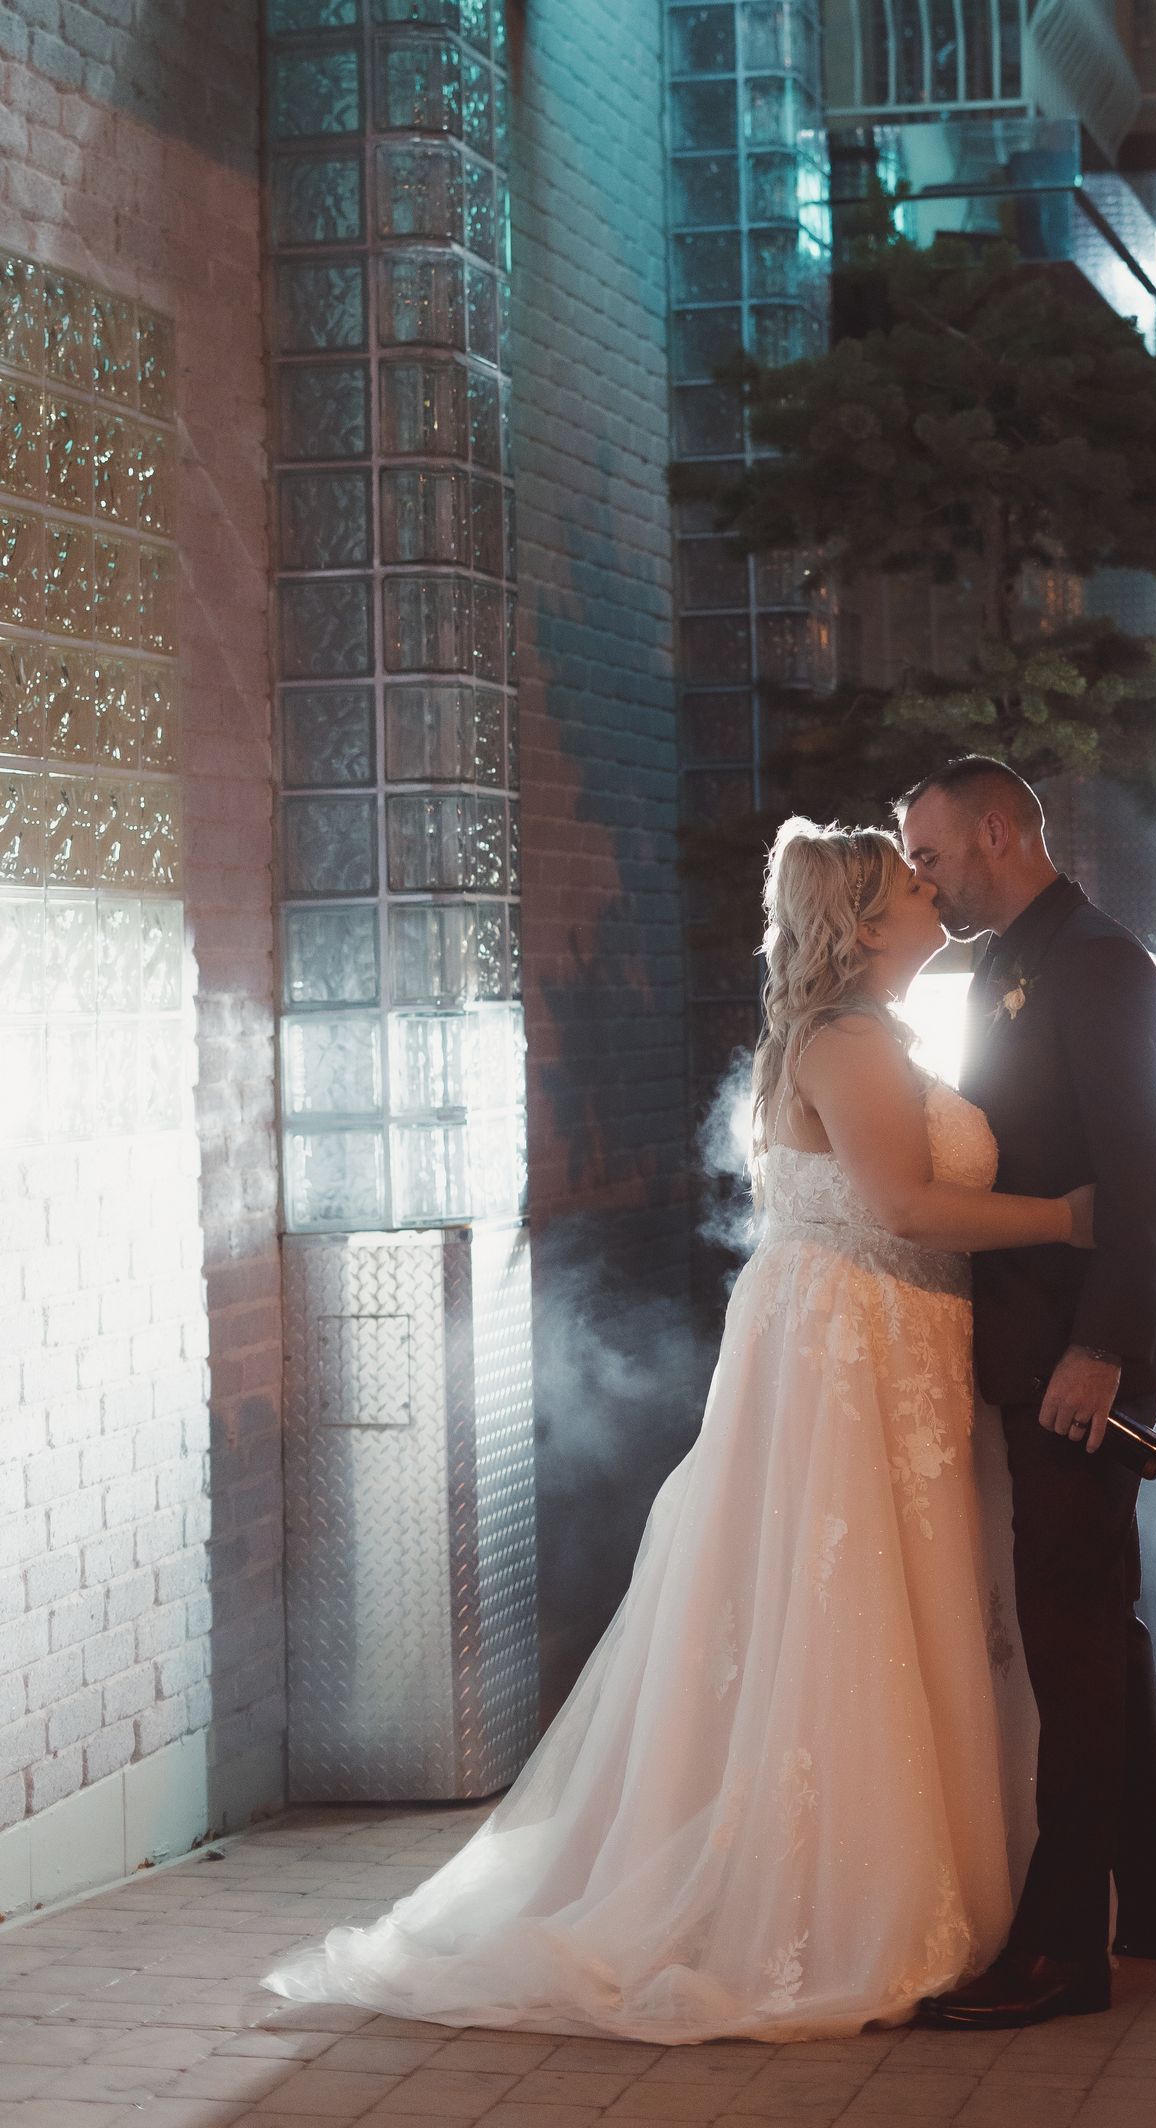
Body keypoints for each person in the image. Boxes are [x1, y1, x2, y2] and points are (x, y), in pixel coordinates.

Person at [261, 819, 1092, 2044]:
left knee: (894, 1605)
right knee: (849, 1604)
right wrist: (1070, 1220)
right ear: (865, 925)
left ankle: (897, 1888)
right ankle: (841, 1908)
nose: (934, 896)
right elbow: (908, 1205)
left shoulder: (871, 1033)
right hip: (856, 1349)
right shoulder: (851, 1042)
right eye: (913, 886)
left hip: (885, 1346)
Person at [900, 756, 1156, 2032]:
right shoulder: (1009, 960)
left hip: (1078, 1354)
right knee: (1097, 1634)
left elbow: (1147, 1170)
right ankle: (1154, 1903)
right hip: (1033, 1345)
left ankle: (1063, 1949)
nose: (920, 874)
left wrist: (1101, 1349)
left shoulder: (1095, 959)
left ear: (1003, 831)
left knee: (1072, 1645)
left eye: (931, 852)